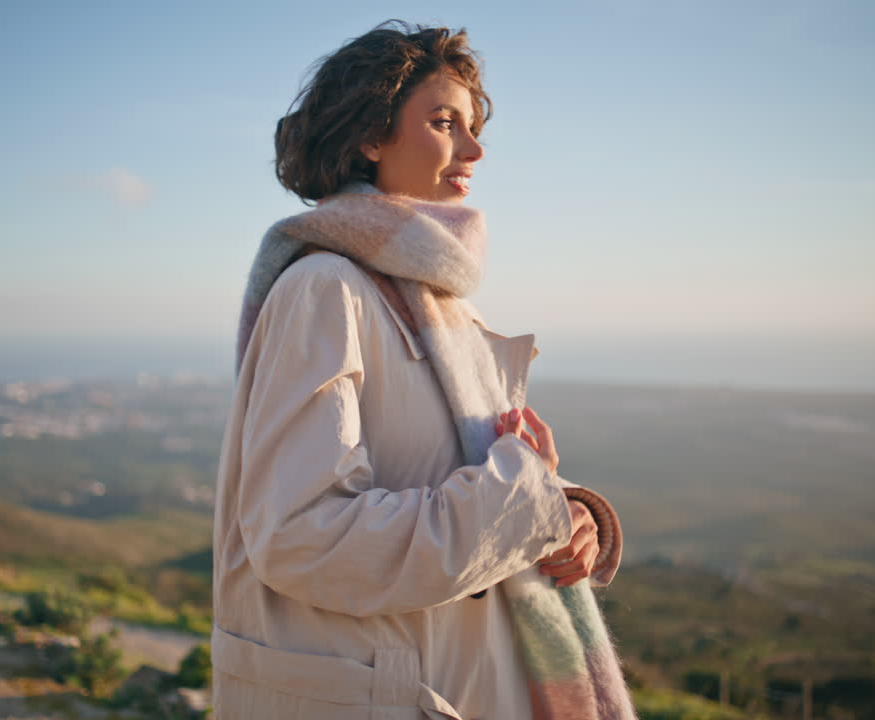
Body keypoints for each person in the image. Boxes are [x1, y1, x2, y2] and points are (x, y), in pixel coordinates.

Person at [212, 20, 637, 719]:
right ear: (370, 135)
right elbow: (300, 535)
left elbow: (458, 466)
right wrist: (520, 506)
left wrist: (567, 511)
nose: (474, 149)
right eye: (444, 123)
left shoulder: (439, 304)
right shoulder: (324, 289)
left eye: (474, 128)